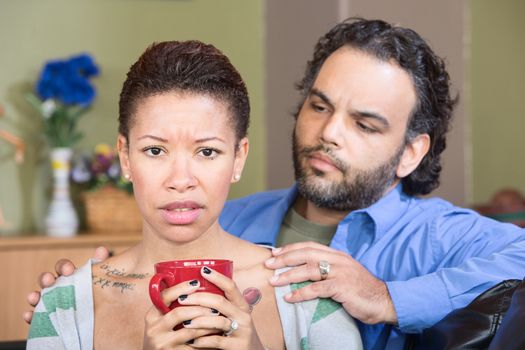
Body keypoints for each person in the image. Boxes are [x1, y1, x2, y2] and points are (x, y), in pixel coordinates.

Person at [27, 18, 525, 349]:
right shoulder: (236, 214)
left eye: (365, 124)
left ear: (411, 152)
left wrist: (387, 298)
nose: (328, 132)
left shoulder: (436, 236)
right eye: (320, 105)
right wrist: (77, 295)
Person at [26, 40, 362, 350]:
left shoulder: (309, 294)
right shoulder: (63, 304)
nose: (181, 180)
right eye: (155, 150)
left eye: (207, 152)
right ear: (125, 157)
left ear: (238, 158)